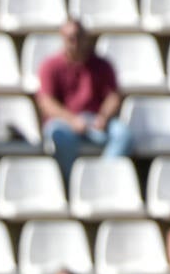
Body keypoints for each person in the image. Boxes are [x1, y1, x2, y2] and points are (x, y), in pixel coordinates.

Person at [35, 19, 131, 182]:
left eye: (79, 37)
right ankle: (72, 183)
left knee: (124, 134)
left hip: (95, 122)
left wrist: (103, 117)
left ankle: (103, 179)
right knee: (56, 134)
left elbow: (113, 96)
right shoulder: (50, 66)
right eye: (70, 38)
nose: (75, 42)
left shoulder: (102, 65)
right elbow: (46, 102)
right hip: (64, 123)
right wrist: (72, 120)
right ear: (62, 38)